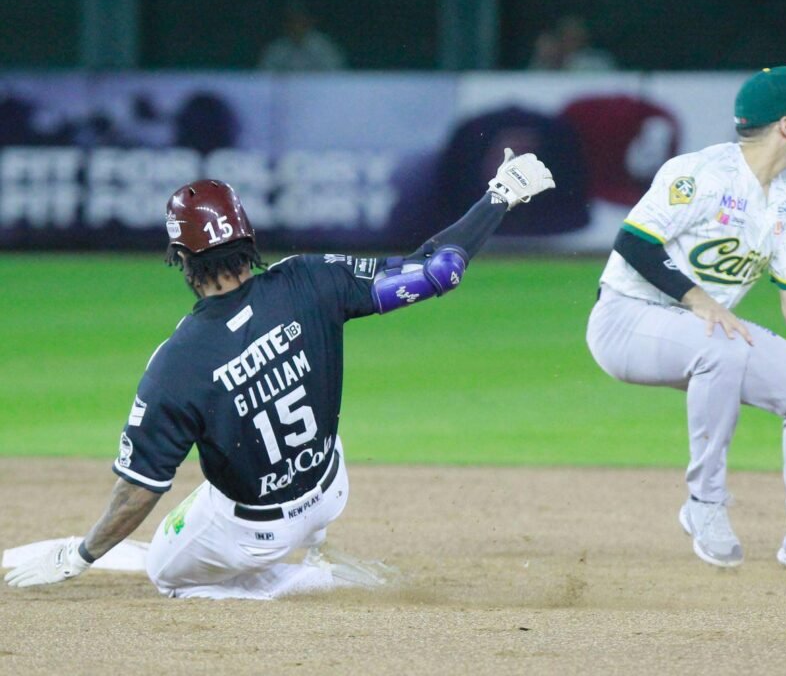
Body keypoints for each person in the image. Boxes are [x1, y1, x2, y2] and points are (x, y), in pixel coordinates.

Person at [4, 149, 555, 599]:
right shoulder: (310, 279)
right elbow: (437, 270)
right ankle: (305, 547)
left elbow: (139, 490)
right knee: (213, 497)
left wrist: (80, 556)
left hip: (256, 531)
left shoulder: (177, 363)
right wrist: (497, 196)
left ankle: (307, 581)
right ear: (247, 236)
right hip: (330, 485)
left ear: (181, 257)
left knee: (166, 574)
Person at [586, 66, 786, 570]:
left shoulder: (783, 204)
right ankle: (704, 503)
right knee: (720, 341)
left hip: (699, 330)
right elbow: (634, 241)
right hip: (625, 320)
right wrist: (699, 300)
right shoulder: (702, 174)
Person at [259, 0, 346, 72]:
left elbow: (336, 74)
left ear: (309, 22)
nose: (296, 25)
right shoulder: (276, 49)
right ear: (285, 25)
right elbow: (262, 77)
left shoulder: (324, 47)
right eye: (291, 21)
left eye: (300, 21)